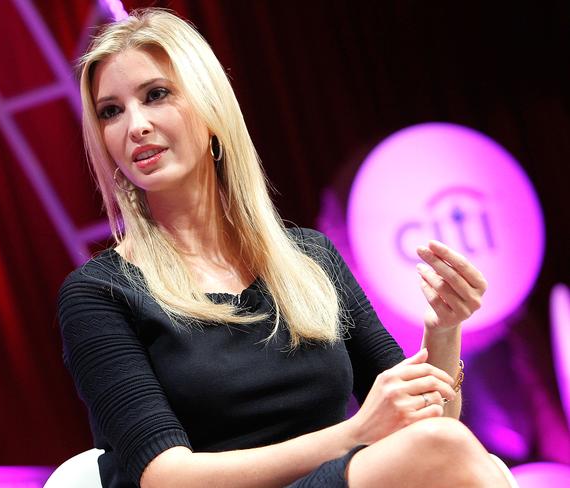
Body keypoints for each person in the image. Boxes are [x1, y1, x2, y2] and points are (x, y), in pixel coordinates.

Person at [58, 8, 511, 488]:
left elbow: (427, 422)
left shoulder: (311, 259)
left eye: (156, 95)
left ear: (212, 109)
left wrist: (443, 330)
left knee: (444, 449)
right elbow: (166, 477)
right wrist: (354, 433)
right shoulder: (100, 293)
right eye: (111, 111)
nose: (136, 125)